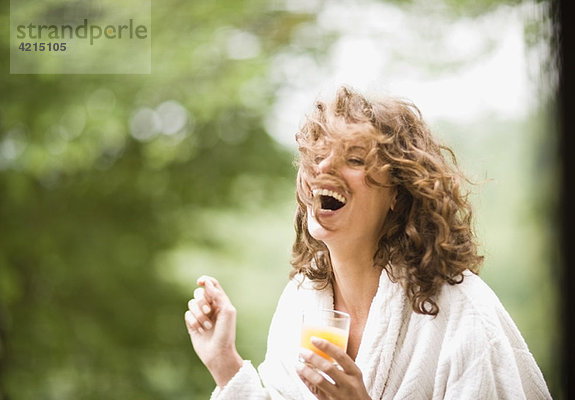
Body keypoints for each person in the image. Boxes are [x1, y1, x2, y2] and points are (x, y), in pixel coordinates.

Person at [184, 86, 552, 399]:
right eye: (316, 156)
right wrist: (225, 363)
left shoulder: (462, 312)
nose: (323, 168)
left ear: (398, 191)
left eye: (354, 159)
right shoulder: (298, 303)